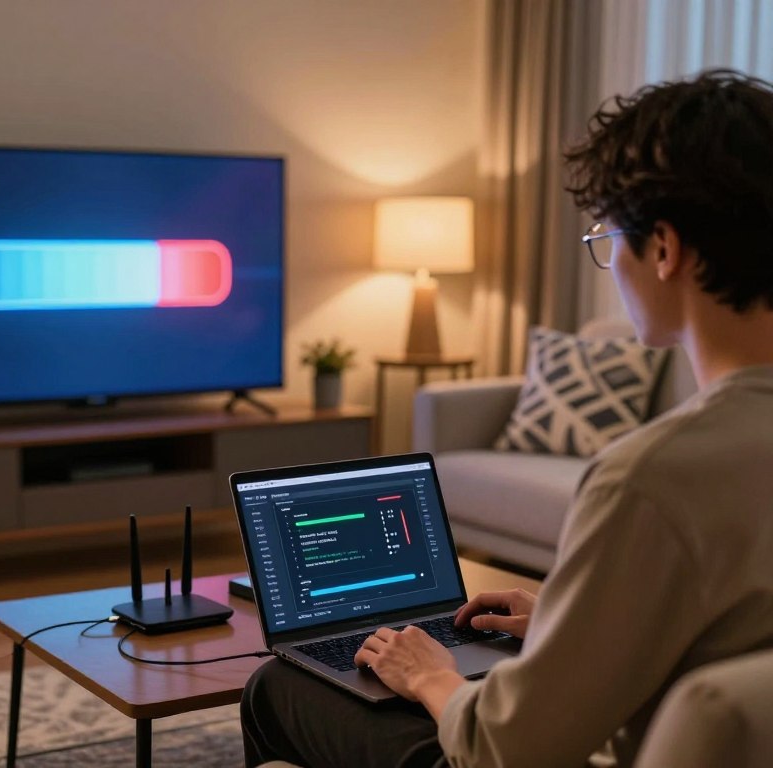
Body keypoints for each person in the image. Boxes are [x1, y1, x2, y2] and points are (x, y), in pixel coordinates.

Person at [240, 68, 773, 768]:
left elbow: (509, 748)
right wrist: (565, 624)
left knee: (278, 686)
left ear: (666, 249)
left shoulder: (649, 480)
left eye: (609, 240)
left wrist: (427, 673)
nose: (609, 264)